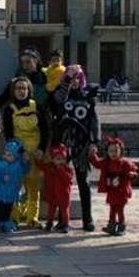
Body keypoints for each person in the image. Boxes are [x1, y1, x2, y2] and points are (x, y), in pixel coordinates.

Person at [51, 65, 100, 231]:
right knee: (60, 183)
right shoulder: (62, 94)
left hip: (81, 143)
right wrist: (66, 80)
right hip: (64, 144)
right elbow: (58, 99)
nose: (75, 81)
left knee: (83, 183)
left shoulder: (88, 98)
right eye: (72, 78)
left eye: (78, 78)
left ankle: (88, 219)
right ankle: (62, 219)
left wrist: (94, 141)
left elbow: (94, 121)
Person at [1, 76, 48, 229]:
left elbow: (45, 130)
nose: (21, 91)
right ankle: (14, 218)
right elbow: (8, 134)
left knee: (33, 187)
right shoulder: (9, 109)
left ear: (29, 90)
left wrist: (41, 148)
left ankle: (32, 218)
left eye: (24, 88)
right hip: (17, 153)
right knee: (14, 187)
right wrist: (21, 152)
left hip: (35, 152)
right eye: (18, 88)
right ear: (13, 91)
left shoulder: (37, 107)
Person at [89, 137, 139, 236]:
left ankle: (121, 226)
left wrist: (131, 174)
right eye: (111, 151)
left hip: (121, 190)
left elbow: (134, 171)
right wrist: (93, 154)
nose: (113, 153)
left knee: (120, 209)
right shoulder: (106, 162)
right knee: (112, 208)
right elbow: (97, 163)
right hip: (112, 190)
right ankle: (111, 225)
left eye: (116, 151)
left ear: (121, 151)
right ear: (107, 152)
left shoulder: (125, 163)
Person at [0, 140, 30, 233]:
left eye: (9, 155)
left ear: (16, 157)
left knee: (7, 209)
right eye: (5, 154)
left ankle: (5, 223)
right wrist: (2, 178)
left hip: (10, 193)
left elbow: (25, 170)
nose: (6, 156)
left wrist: (26, 161)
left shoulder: (18, 166)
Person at [37, 143, 74, 233]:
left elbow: (68, 179)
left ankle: (65, 224)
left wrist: (60, 169)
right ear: (53, 159)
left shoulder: (67, 169)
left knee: (64, 210)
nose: (60, 161)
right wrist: (37, 159)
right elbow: (41, 166)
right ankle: (49, 223)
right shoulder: (49, 167)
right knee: (51, 210)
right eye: (57, 159)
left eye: (62, 159)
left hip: (64, 194)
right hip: (53, 194)